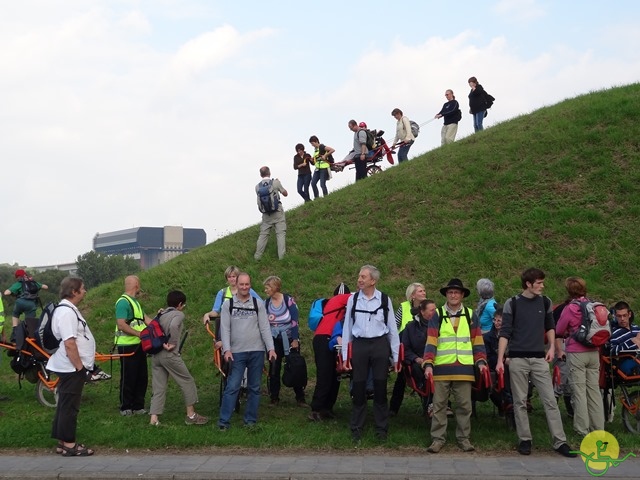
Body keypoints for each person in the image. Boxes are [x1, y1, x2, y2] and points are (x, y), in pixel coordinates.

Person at [496, 267, 577, 457]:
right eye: (539, 282)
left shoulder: (545, 301)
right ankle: (525, 440)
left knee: (550, 400)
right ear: (528, 284)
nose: (542, 285)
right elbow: (504, 332)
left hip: (540, 359)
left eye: (542, 282)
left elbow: (550, 326)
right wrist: (500, 360)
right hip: (517, 359)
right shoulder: (512, 303)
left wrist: (551, 348)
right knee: (520, 401)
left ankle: (560, 442)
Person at [423, 278, 487, 453]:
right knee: (439, 406)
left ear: (462, 295)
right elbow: (431, 340)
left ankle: (464, 439)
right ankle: (437, 439)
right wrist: (428, 363)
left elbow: (478, 340)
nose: (453, 295)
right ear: (446, 295)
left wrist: (481, 360)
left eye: (456, 292)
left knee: (465, 406)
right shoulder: (437, 314)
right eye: (450, 292)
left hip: (464, 368)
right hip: (441, 368)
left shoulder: (470, 314)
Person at [341, 265, 400, 442]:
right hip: (360, 345)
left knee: (380, 387)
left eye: (363, 277)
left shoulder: (384, 299)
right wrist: (345, 356)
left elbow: (392, 330)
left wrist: (396, 356)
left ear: (373, 281)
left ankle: (381, 428)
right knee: (358, 387)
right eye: (359, 276)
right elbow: (347, 329)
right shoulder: (353, 300)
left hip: (380, 345)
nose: (359, 279)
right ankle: (356, 428)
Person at [218, 272, 276, 430]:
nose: (244, 287)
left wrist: (270, 348)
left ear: (250, 285)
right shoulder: (227, 305)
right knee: (232, 387)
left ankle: (250, 420)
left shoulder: (258, 304)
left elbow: (265, 328)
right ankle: (223, 422)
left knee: (254, 388)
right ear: (236, 285)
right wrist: (227, 350)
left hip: (256, 351)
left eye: (247, 284)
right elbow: (225, 329)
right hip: (237, 352)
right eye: (241, 284)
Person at [47, 276, 95, 456]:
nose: (85, 291)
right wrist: (80, 367)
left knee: (64, 404)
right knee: (70, 407)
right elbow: (69, 343)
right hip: (71, 367)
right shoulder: (67, 313)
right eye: (82, 288)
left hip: (69, 366)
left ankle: (61, 442)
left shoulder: (66, 310)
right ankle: (69, 445)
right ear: (74, 292)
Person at [149, 290, 208, 427]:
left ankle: (154, 419)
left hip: (156, 354)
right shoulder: (179, 314)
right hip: (169, 355)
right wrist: (173, 343)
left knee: (158, 387)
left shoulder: (160, 314)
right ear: (180, 304)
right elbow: (174, 326)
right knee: (187, 380)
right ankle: (191, 415)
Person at [555, 276, 604, 437]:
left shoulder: (570, 308)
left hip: (576, 353)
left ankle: (582, 430)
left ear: (569, 290)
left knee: (579, 392)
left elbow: (560, 330)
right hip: (593, 351)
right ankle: (599, 428)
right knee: (594, 391)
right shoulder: (593, 305)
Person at [309, 283, 350, 421]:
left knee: (335, 374)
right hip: (324, 337)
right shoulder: (341, 300)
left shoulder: (332, 302)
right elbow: (360, 296)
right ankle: (316, 409)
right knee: (325, 374)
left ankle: (327, 407)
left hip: (334, 338)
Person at [263, 275, 306, 406]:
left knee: (295, 366)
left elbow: (294, 321)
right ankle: (274, 397)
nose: (265, 290)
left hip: (289, 338)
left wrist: (295, 339)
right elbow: (264, 323)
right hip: (274, 339)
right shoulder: (266, 303)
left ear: (275, 287)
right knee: (274, 367)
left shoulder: (288, 300)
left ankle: (300, 397)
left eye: (267, 287)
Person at [114, 275, 152, 416]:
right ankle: (126, 407)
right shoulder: (123, 302)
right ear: (136, 285)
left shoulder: (135, 302)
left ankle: (138, 406)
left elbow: (146, 319)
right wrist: (138, 334)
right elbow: (121, 324)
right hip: (127, 346)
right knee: (129, 377)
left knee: (141, 376)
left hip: (139, 345)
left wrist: (161, 320)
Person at [389, 282, 427, 415]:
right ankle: (393, 408)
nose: (424, 293)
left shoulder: (428, 308)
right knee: (402, 378)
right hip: (406, 349)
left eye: (424, 290)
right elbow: (393, 326)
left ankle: (428, 406)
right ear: (412, 296)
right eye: (420, 291)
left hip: (423, 348)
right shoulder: (403, 307)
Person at [400, 299, 436, 415]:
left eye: (436, 310)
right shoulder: (410, 328)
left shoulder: (440, 325)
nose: (435, 313)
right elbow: (405, 348)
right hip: (417, 361)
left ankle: (439, 403)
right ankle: (430, 401)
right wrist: (417, 359)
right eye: (432, 310)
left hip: (437, 359)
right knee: (418, 369)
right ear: (422, 312)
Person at [3, 269, 48, 342]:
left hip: (20, 303)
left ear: (17, 277)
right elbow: (46, 287)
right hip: (31, 305)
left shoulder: (18, 284)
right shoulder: (33, 283)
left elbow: (6, 293)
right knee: (29, 322)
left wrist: (14, 294)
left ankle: (15, 334)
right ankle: (30, 338)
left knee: (15, 314)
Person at [254, 166, 288, 261]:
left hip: (266, 214)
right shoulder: (275, 182)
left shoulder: (257, 187)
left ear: (261, 175)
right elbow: (285, 193)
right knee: (280, 234)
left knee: (263, 235)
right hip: (277, 212)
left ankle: (257, 257)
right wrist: (279, 184)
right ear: (270, 173)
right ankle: (282, 257)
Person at [609, 301, 640, 375]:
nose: (622, 319)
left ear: (629, 314)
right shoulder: (614, 333)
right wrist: (631, 342)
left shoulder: (636, 328)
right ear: (615, 316)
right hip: (627, 360)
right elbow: (612, 352)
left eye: (624, 315)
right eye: (619, 316)